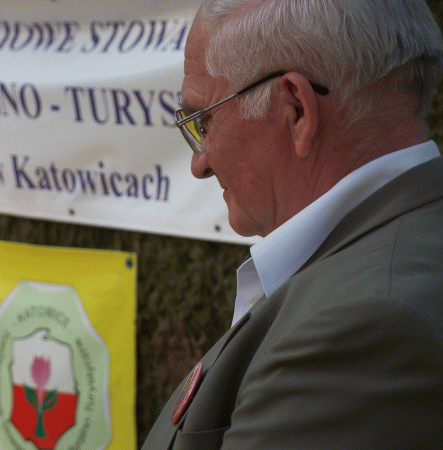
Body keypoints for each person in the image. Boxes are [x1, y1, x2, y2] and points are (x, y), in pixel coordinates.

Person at [142, 0, 443, 449]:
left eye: (204, 121)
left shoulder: (361, 326)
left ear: (296, 109)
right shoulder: (396, 256)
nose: (199, 163)